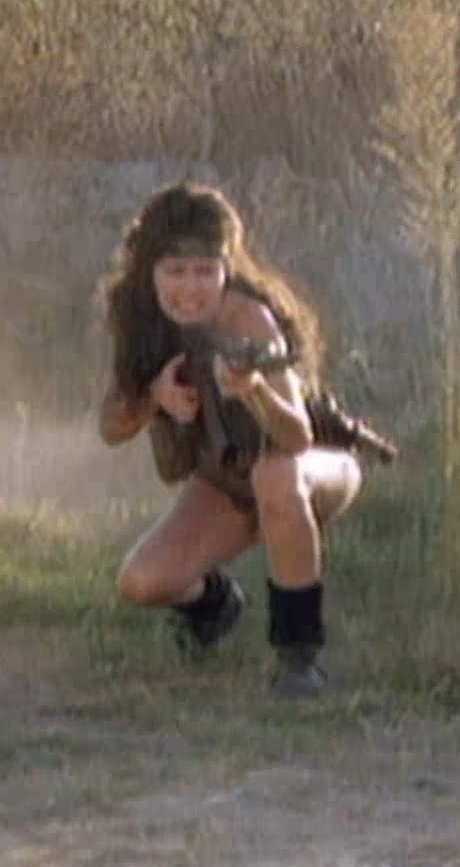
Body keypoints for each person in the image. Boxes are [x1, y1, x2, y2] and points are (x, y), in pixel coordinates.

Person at [97, 181, 392, 697]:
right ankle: (216, 609)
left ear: (226, 268)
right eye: (175, 272)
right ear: (150, 272)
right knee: (142, 581)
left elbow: (296, 437)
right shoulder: (141, 318)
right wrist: (153, 399)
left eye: (204, 271)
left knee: (275, 474)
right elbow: (109, 427)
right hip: (228, 479)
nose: (190, 288)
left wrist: (254, 390)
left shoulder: (249, 319)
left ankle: (298, 656)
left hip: (313, 466)